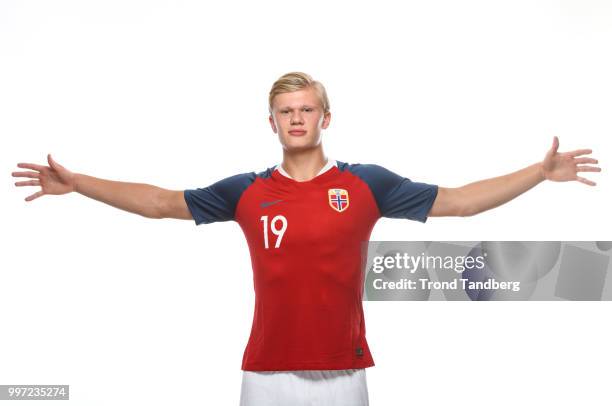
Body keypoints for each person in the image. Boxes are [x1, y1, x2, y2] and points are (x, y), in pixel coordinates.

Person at [12, 72, 601, 406]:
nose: (296, 118)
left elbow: (461, 201)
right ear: (272, 122)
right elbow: (163, 203)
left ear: (325, 118)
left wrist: (537, 173)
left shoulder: (368, 184)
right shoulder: (245, 191)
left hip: (344, 375)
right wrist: (80, 184)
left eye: (307, 109)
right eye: (285, 111)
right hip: (265, 375)